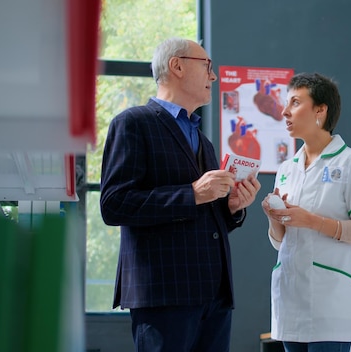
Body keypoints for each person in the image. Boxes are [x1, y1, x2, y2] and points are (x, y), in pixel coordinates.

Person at [100, 37, 261, 352]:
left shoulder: (204, 141)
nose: (213, 77)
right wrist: (192, 194)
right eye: (207, 67)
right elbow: (114, 204)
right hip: (164, 293)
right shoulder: (132, 123)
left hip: (214, 295)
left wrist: (232, 208)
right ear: (177, 66)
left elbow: (205, 218)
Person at [261, 72, 351, 352]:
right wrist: (273, 217)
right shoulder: (286, 169)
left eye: (295, 102)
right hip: (290, 297)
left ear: (320, 110)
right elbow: (280, 242)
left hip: (331, 300)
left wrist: (312, 221)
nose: (285, 111)